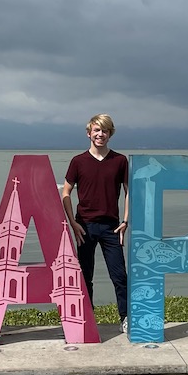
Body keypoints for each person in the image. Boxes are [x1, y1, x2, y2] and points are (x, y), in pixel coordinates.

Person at [62, 113, 130, 333]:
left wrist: (125, 221)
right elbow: (66, 193)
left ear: (111, 134)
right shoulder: (78, 161)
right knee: (84, 276)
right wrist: (72, 222)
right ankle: (86, 318)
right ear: (89, 132)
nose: (101, 134)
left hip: (111, 227)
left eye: (105, 130)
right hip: (85, 227)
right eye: (97, 130)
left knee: (119, 276)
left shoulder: (120, 160)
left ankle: (126, 317)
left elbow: (129, 192)